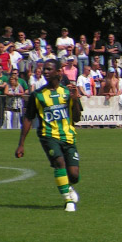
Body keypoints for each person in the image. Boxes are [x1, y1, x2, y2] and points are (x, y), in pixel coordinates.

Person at [15, 59, 82, 212]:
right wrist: (21, 144)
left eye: (49, 69)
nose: (45, 72)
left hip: (68, 136)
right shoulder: (37, 95)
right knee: (59, 163)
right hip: (48, 136)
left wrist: (75, 100)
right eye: (44, 69)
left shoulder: (67, 92)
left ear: (58, 72)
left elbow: (77, 118)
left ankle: (68, 186)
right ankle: (68, 200)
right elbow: (28, 118)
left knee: (74, 175)